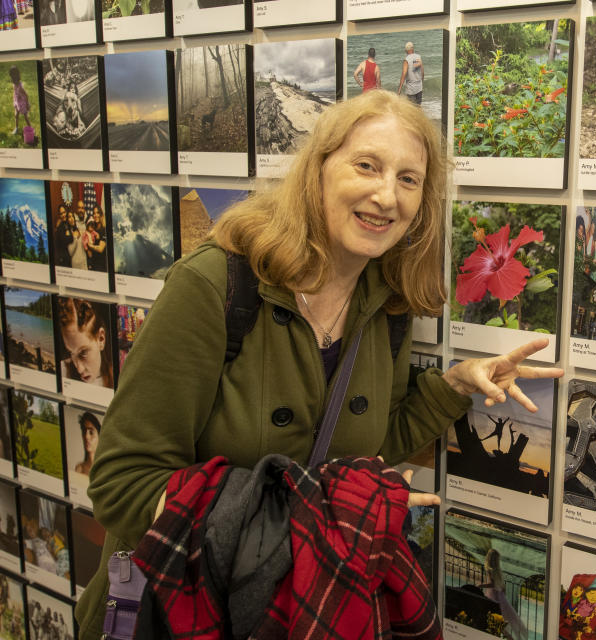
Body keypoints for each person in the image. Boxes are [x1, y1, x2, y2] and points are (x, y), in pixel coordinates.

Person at [75, 90, 563, 639]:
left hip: (298, 616)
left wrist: (453, 387)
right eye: (366, 166)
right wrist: (319, 509)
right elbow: (120, 481)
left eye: (408, 179)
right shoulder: (215, 285)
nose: (386, 196)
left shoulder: (386, 304)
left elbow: (368, 444)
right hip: (189, 612)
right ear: (319, 168)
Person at [58, 297, 113, 388]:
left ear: (101, 339)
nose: (79, 369)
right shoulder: (62, 372)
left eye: (83, 353)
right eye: (71, 353)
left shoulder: (122, 376)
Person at [73, 411, 100, 475]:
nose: (86, 436)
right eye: (84, 431)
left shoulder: (105, 470)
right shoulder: (79, 468)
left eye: (91, 432)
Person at [397, 41, 424, 105]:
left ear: (406, 50)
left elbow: (404, 75)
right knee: (418, 108)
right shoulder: (418, 57)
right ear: (413, 48)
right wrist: (422, 82)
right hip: (419, 87)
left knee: (412, 109)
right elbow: (422, 72)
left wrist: (399, 90)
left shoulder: (407, 60)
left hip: (411, 90)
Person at [9, 66, 31, 137]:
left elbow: (26, 95)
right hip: (17, 102)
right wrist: (14, 100)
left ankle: (30, 128)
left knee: (25, 116)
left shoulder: (20, 86)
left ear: (17, 78)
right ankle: (16, 128)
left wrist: (27, 104)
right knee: (16, 115)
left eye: (13, 78)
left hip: (22, 103)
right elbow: (15, 92)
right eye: (11, 78)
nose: (12, 80)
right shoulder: (14, 84)